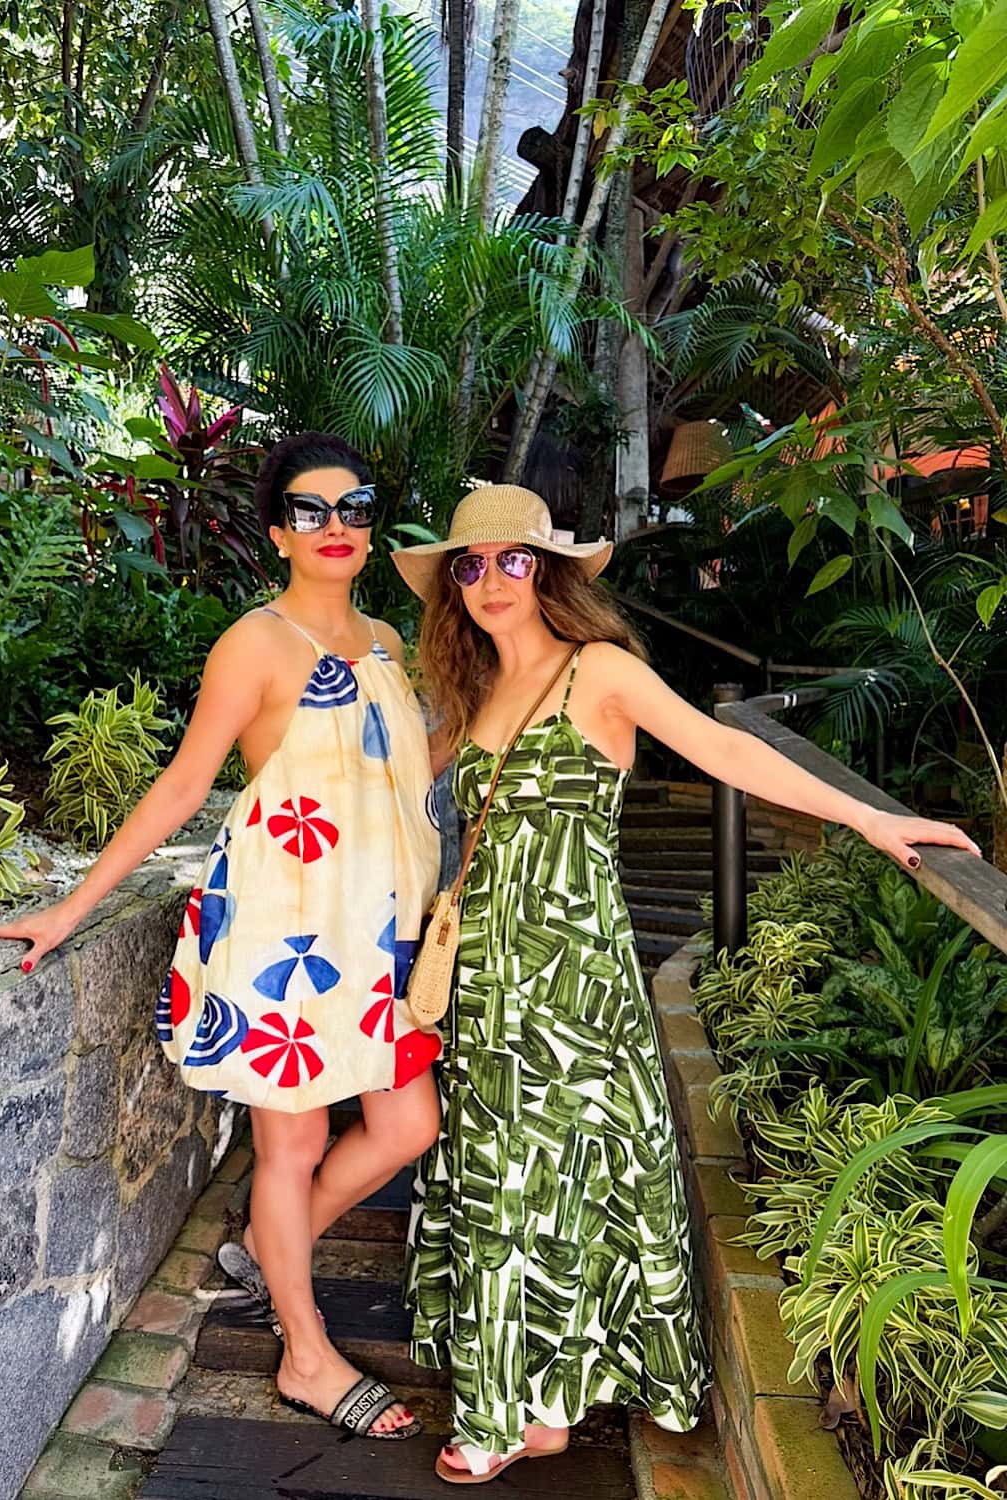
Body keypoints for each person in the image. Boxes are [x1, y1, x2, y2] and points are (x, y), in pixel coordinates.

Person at [392, 484, 980, 1485]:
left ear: (550, 571)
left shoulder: (599, 670)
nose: (492, 580)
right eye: (472, 565)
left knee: (554, 1181)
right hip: (485, 978)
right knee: (502, 1177)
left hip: (573, 982)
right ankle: (540, 1407)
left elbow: (727, 750)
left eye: (513, 559)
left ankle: (506, 1410)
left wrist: (870, 818)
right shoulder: (473, 687)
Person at [0, 432, 442, 1440]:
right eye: (310, 510)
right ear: (279, 532)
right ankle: (306, 1356)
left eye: (354, 508)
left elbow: (397, 770)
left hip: (377, 937)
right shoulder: (255, 644)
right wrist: (72, 907)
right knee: (296, 1141)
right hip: (286, 928)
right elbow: (186, 784)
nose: (334, 527)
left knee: (408, 1126)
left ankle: (275, 1253)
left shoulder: (386, 642)